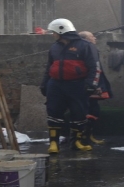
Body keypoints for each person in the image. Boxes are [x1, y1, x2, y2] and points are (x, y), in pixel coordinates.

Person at [39, 18, 99, 153]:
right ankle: (53, 144)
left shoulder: (85, 46)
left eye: (54, 32)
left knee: (79, 114)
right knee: (53, 113)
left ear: (62, 31)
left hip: (77, 85)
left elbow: (95, 67)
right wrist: (44, 84)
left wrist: (91, 85)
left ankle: (77, 142)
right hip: (56, 85)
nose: (53, 34)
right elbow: (49, 67)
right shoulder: (55, 47)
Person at [78, 31, 113, 145]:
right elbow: (94, 69)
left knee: (91, 109)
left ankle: (88, 135)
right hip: (89, 84)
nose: (94, 38)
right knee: (92, 110)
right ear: (85, 39)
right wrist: (95, 85)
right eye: (92, 36)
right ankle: (86, 136)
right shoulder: (89, 50)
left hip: (87, 84)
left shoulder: (84, 49)